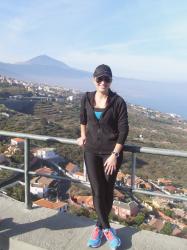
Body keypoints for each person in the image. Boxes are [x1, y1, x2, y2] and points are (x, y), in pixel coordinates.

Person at [77, 64, 129, 250]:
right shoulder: (86, 98)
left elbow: (124, 130)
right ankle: (107, 229)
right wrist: (83, 135)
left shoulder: (118, 102)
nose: (103, 82)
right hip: (91, 151)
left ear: (111, 81)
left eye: (107, 79)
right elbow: (82, 119)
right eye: (100, 79)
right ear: (94, 80)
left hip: (111, 154)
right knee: (97, 190)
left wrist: (115, 154)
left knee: (107, 191)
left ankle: (98, 227)